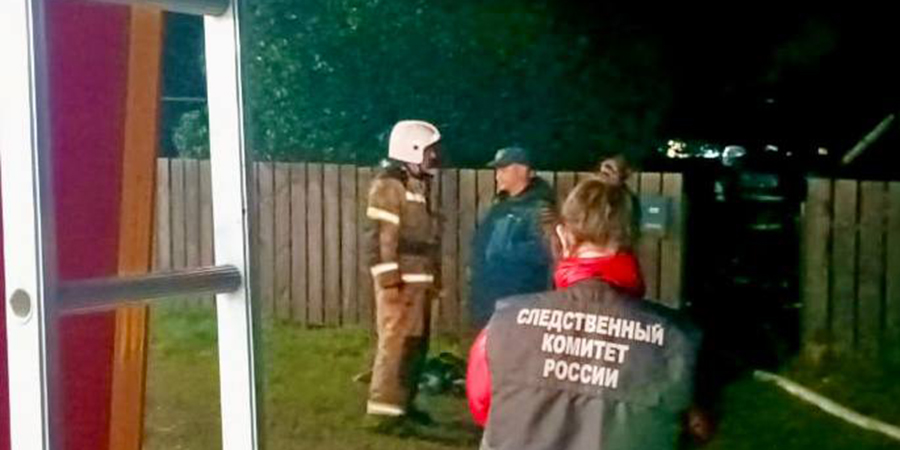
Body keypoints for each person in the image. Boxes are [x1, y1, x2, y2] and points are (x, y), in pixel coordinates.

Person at [467, 178, 701, 450]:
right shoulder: (678, 339)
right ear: (633, 241)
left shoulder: (503, 324)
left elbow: (483, 407)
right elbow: (695, 427)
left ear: (564, 237)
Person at [364, 120, 441, 425]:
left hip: (417, 283)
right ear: (412, 149)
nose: (433, 156)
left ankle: (403, 405)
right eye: (428, 150)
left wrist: (433, 278)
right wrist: (389, 280)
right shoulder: (388, 186)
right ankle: (383, 413)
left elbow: (424, 240)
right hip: (400, 285)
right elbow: (381, 237)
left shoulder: (416, 186)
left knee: (415, 345)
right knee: (395, 345)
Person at [469, 146, 557, 329]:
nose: (497, 176)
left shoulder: (540, 209)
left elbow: (545, 251)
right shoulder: (499, 206)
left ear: (522, 170)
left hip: (519, 302)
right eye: (497, 171)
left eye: (503, 170)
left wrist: (504, 252)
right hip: (491, 299)